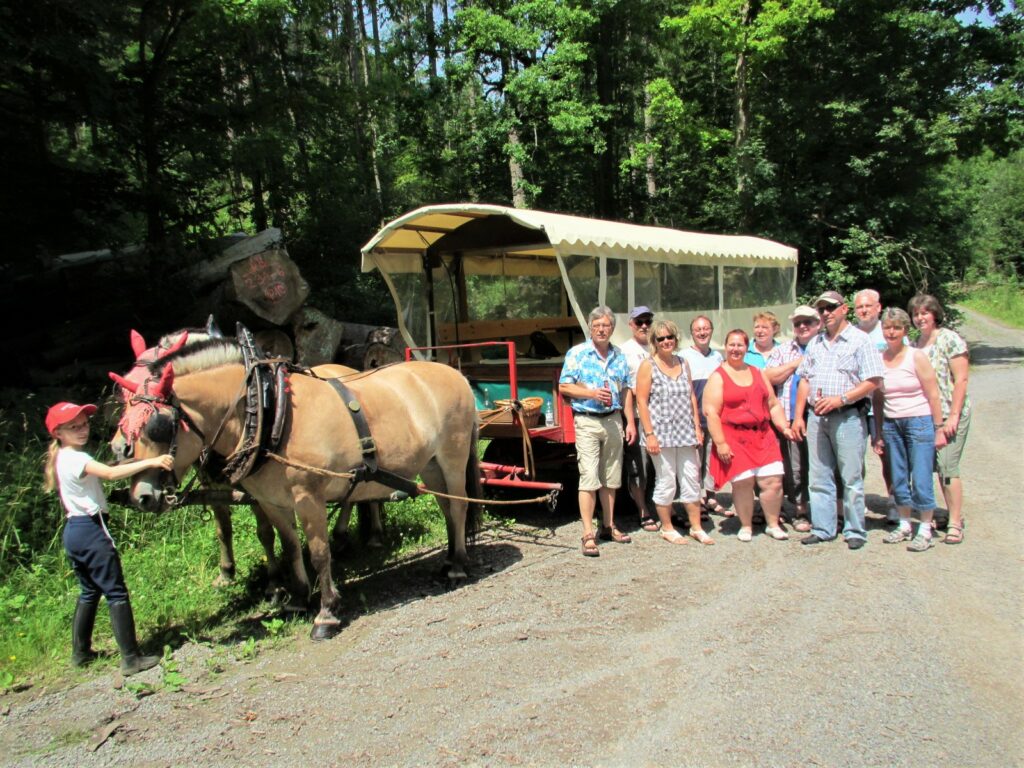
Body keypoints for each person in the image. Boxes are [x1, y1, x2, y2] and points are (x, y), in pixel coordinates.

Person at [43, 401, 175, 674]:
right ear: (58, 433)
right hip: (92, 531)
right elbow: (111, 473)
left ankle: (80, 653)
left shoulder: (64, 457)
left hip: (74, 532)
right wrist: (153, 460)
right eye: (73, 427)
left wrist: (135, 461)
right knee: (115, 592)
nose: (82, 430)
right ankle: (131, 658)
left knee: (89, 591)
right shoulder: (77, 458)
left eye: (84, 424)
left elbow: (105, 468)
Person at [792, 291, 884, 550]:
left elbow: (873, 380)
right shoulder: (816, 343)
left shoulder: (859, 340)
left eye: (830, 307)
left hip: (847, 416)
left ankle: (855, 529)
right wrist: (799, 416)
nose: (825, 313)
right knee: (818, 476)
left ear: (844, 309)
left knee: (851, 477)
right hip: (816, 418)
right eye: (821, 309)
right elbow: (805, 380)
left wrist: (841, 399)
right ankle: (823, 528)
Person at [704, 329, 795, 542]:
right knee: (743, 482)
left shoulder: (757, 372)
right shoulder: (718, 376)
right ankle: (745, 526)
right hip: (734, 438)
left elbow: (772, 405)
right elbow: (711, 413)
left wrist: (784, 427)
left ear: (747, 348)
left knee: (772, 481)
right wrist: (721, 443)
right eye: (732, 345)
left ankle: (773, 524)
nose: (736, 349)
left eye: (740, 345)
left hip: (763, 435)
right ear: (726, 347)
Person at [870, 309, 948, 552]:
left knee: (921, 475)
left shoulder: (916, 356)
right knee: (899, 475)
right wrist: (880, 431)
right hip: (893, 423)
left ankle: (924, 528)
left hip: (919, 421)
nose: (891, 332)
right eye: (887, 327)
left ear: (905, 330)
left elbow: (933, 393)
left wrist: (938, 428)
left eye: (896, 328)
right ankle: (904, 524)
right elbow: (878, 399)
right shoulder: (880, 358)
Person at [559, 306, 634, 556]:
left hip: (613, 419)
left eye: (606, 326)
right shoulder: (577, 353)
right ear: (590, 328)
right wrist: (591, 393)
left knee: (611, 477)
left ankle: (608, 526)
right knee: (589, 477)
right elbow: (564, 386)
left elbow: (626, 390)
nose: (602, 330)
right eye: (597, 326)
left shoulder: (619, 355)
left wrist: (630, 421)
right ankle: (587, 533)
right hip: (588, 420)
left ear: (612, 329)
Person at [636, 320, 713, 545]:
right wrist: (649, 434)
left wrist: (697, 427)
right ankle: (667, 527)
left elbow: (690, 395)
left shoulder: (684, 362)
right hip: (660, 433)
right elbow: (641, 400)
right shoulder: (648, 365)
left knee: (691, 477)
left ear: (675, 339)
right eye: (661, 338)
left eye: (670, 337)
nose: (666, 341)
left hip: (685, 431)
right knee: (667, 480)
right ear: (654, 342)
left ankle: (696, 527)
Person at [909, 294, 971, 544]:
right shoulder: (915, 343)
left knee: (947, 466)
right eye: (916, 314)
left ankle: (956, 521)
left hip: (949, 412)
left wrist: (953, 416)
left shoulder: (950, 339)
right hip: (925, 414)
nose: (920, 317)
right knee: (930, 466)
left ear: (935, 314)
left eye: (925, 312)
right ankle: (941, 514)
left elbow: (961, 380)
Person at [764, 305, 821, 533]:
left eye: (807, 322)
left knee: (822, 467)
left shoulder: (827, 346)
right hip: (789, 416)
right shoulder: (784, 350)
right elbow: (769, 376)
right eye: (798, 323)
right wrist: (795, 364)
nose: (802, 326)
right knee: (796, 467)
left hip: (820, 415)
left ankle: (826, 510)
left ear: (818, 324)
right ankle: (800, 509)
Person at [854, 288, 897, 520]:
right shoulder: (850, 333)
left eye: (868, 306)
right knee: (854, 455)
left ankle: (894, 501)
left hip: (887, 403)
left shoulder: (889, 332)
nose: (863, 310)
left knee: (888, 455)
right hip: (858, 404)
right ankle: (857, 502)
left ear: (878, 307)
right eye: (859, 307)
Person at [680, 315, 728, 517]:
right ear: (692, 333)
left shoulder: (717, 357)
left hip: (715, 418)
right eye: (698, 329)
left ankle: (711, 496)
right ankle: (696, 499)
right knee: (694, 461)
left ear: (711, 330)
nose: (702, 332)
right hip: (694, 419)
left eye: (706, 328)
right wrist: (693, 420)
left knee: (712, 459)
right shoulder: (683, 357)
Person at [621, 306, 658, 532]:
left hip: (661, 417)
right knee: (639, 465)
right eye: (639, 322)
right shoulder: (625, 351)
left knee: (659, 465)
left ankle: (662, 506)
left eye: (647, 321)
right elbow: (625, 388)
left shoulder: (660, 346)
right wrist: (630, 421)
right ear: (631, 325)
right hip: (636, 415)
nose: (644, 326)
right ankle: (643, 510)